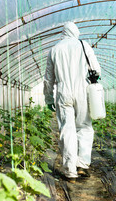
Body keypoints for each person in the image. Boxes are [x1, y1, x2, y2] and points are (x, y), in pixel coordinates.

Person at [43, 22, 101, 182]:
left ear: (63, 33)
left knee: (67, 130)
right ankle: (82, 164)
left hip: (63, 92)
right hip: (82, 91)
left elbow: (49, 79)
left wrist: (48, 98)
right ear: (76, 32)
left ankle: (70, 172)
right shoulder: (84, 45)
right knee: (84, 128)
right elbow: (96, 69)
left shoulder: (54, 49)